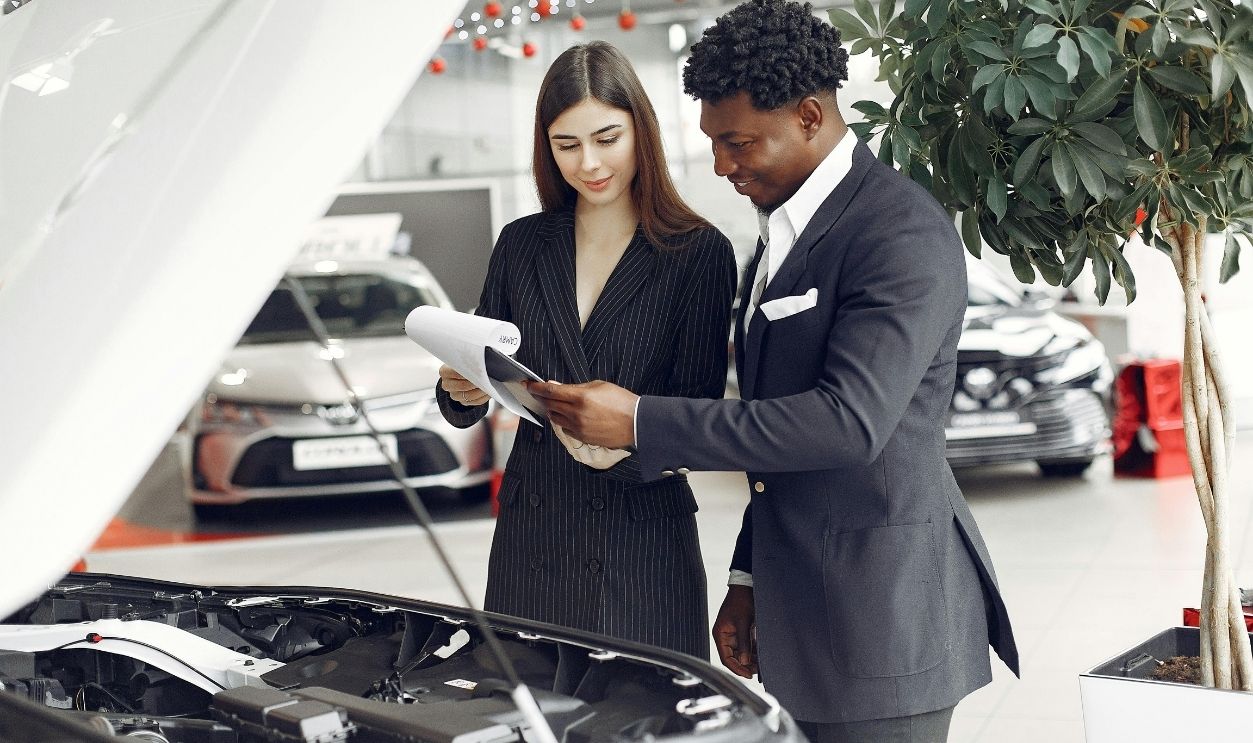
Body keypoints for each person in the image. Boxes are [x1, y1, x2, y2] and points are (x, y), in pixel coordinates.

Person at [525, 2, 1019, 741]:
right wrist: (747, 578)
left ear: (810, 116)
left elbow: (846, 424)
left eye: (738, 143)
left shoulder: (897, 230)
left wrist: (641, 420)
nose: (721, 165)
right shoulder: (780, 233)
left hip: (882, 623)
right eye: (713, 144)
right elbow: (775, 442)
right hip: (803, 613)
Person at [435, 42, 736, 673]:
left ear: (641, 131)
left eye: (607, 138)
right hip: (534, 541)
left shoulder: (696, 252)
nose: (589, 163)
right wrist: (459, 389)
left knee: (646, 712)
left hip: (641, 547)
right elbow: (476, 382)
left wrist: (620, 445)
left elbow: (698, 415)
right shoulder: (521, 245)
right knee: (529, 712)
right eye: (566, 145)